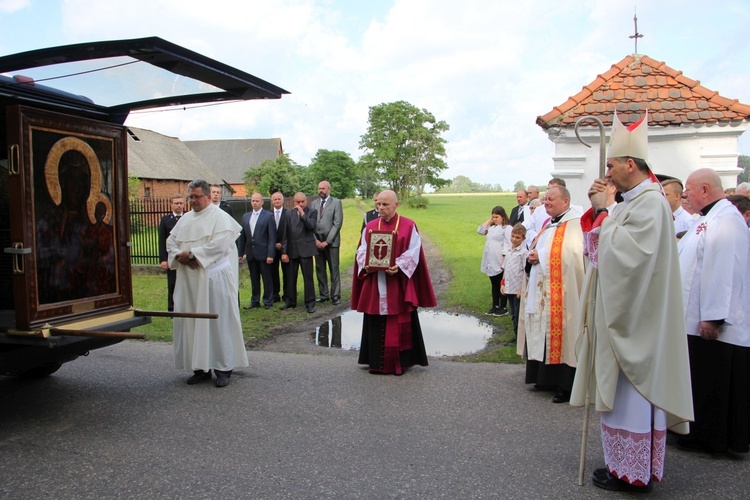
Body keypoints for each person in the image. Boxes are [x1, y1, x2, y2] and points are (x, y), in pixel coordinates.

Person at [570, 112, 693, 493]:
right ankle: (622, 465)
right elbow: (600, 252)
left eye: (610, 164)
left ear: (629, 163)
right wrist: (602, 212)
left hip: (637, 320)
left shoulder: (651, 203)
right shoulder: (631, 201)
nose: (606, 172)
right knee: (619, 394)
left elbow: (631, 257)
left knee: (632, 397)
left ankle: (632, 474)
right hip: (622, 314)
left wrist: (605, 211)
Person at [677, 168, 750, 455]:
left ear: (705, 190)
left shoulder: (727, 221)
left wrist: (713, 316)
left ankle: (713, 439)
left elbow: (723, 271)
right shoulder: (708, 219)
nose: (686, 197)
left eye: (689, 191)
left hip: (713, 323)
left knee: (714, 382)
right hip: (695, 317)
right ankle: (699, 433)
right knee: (702, 379)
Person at [167, 179, 248, 388]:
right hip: (189, 281)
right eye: (190, 197)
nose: (192, 201)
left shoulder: (220, 217)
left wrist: (193, 255)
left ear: (207, 196)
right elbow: (171, 241)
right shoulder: (185, 219)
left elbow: (220, 245)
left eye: (196, 197)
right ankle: (200, 368)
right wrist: (180, 256)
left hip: (213, 278)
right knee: (193, 322)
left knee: (217, 323)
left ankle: (223, 368)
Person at [351, 190, 437, 375]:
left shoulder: (408, 225)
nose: (380, 208)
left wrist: (398, 265)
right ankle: (376, 362)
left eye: (385, 205)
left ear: (396, 205)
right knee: (375, 319)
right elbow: (361, 250)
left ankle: (399, 362)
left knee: (398, 319)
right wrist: (367, 264)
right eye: (378, 204)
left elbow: (414, 251)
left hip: (397, 282)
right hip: (377, 281)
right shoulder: (371, 226)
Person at [517, 185, 584, 404]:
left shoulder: (574, 225)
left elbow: (573, 255)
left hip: (562, 293)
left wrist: (542, 256)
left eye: (551, 200)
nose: (546, 203)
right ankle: (543, 378)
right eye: (545, 199)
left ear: (566, 202)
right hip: (541, 286)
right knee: (541, 329)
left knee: (563, 333)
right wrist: (532, 256)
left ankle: (564, 385)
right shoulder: (549, 224)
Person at [280, 192, 318, 313]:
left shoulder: (312, 212)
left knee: (308, 277)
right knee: (291, 277)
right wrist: (284, 252)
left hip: (306, 249)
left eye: (302, 202)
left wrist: (302, 214)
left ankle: (310, 302)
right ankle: (291, 301)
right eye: (298, 202)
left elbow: (311, 226)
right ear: (293, 202)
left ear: (306, 201)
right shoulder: (288, 213)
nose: (300, 204)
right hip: (292, 250)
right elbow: (285, 234)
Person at [238, 192, 276, 309]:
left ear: (262, 202)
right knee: (254, 278)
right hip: (251, 253)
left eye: (257, 201)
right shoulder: (246, 216)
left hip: (264, 253)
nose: (254, 203)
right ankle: (255, 301)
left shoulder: (268, 216)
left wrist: (270, 254)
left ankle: (268, 301)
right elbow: (242, 236)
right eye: (253, 201)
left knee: (266, 278)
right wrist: (240, 254)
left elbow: (272, 237)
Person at [311, 180, 343, 305]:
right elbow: (311, 223)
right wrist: (316, 240)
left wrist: (327, 241)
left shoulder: (336, 203)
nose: (321, 191)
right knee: (320, 269)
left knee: (333, 269)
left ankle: (335, 295)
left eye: (323, 188)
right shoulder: (314, 203)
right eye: (319, 188)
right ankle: (323, 294)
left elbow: (337, 223)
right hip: (317, 242)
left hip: (332, 242)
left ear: (329, 189)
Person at [477, 206, 512, 316]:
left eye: (497, 217)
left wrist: (504, 258)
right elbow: (480, 231)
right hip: (490, 258)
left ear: (503, 217)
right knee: (494, 283)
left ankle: (503, 306)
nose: (495, 219)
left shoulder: (506, 228)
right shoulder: (491, 228)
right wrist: (490, 220)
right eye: (493, 217)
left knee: (501, 282)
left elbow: (508, 244)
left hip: (499, 258)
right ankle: (495, 305)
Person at [501, 223, 528, 339]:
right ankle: (516, 335)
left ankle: (520, 338)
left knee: (518, 314)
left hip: (518, 289)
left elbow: (525, 272)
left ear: (523, 238)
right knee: (512, 313)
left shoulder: (523, 253)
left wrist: (522, 289)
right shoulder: (509, 251)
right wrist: (503, 283)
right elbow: (505, 268)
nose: (514, 239)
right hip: (509, 287)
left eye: (517, 237)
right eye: (512, 236)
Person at [158, 194, 185, 311]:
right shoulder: (165, 220)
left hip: (186, 253)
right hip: (172, 256)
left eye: (181, 203)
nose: (179, 206)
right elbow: (161, 240)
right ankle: (172, 307)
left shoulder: (188, 217)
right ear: (171, 205)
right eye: (176, 203)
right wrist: (163, 259)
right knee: (172, 282)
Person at [269, 192, 288, 304]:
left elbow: (289, 231)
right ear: (272, 201)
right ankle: (275, 295)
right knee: (273, 273)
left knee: (286, 272)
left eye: (278, 199)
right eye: (275, 199)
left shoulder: (288, 214)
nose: (277, 201)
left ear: (282, 200)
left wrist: (282, 244)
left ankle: (287, 294)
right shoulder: (268, 214)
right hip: (272, 248)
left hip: (284, 248)